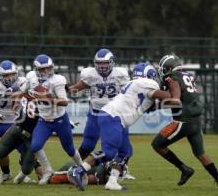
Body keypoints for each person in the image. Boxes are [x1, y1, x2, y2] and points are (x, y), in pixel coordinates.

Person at [69, 62, 172, 191]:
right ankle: (78, 170)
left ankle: (112, 181)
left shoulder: (134, 84)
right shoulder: (147, 83)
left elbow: (149, 105)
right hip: (113, 117)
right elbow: (168, 97)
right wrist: (174, 86)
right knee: (109, 152)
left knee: (125, 152)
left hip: (115, 118)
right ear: (150, 75)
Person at [151, 54, 218, 186]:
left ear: (169, 68)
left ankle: (184, 169)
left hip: (182, 121)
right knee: (200, 154)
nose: (162, 72)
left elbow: (175, 101)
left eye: (164, 69)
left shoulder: (173, 78)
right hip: (196, 121)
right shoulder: (187, 75)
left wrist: (156, 106)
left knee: (157, 144)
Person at [69, 48, 135, 180]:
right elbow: (76, 88)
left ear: (111, 62)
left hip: (116, 115)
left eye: (104, 63)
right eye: (99, 63)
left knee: (124, 146)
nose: (102, 66)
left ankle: (121, 170)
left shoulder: (120, 74)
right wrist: (63, 89)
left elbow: (128, 92)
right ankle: (77, 167)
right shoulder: (90, 74)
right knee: (88, 144)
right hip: (96, 114)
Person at [28, 54, 83, 183]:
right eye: (42, 69)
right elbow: (25, 90)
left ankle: (82, 167)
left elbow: (64, 102)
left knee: (69, 149)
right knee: (35, 146)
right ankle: (48, 170)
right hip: (44, 120)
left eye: (48, 68)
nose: (46, 71)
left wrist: (48, 99)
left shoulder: (57, 80)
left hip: (59, 119)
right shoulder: (31, 78)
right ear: (36, 70)